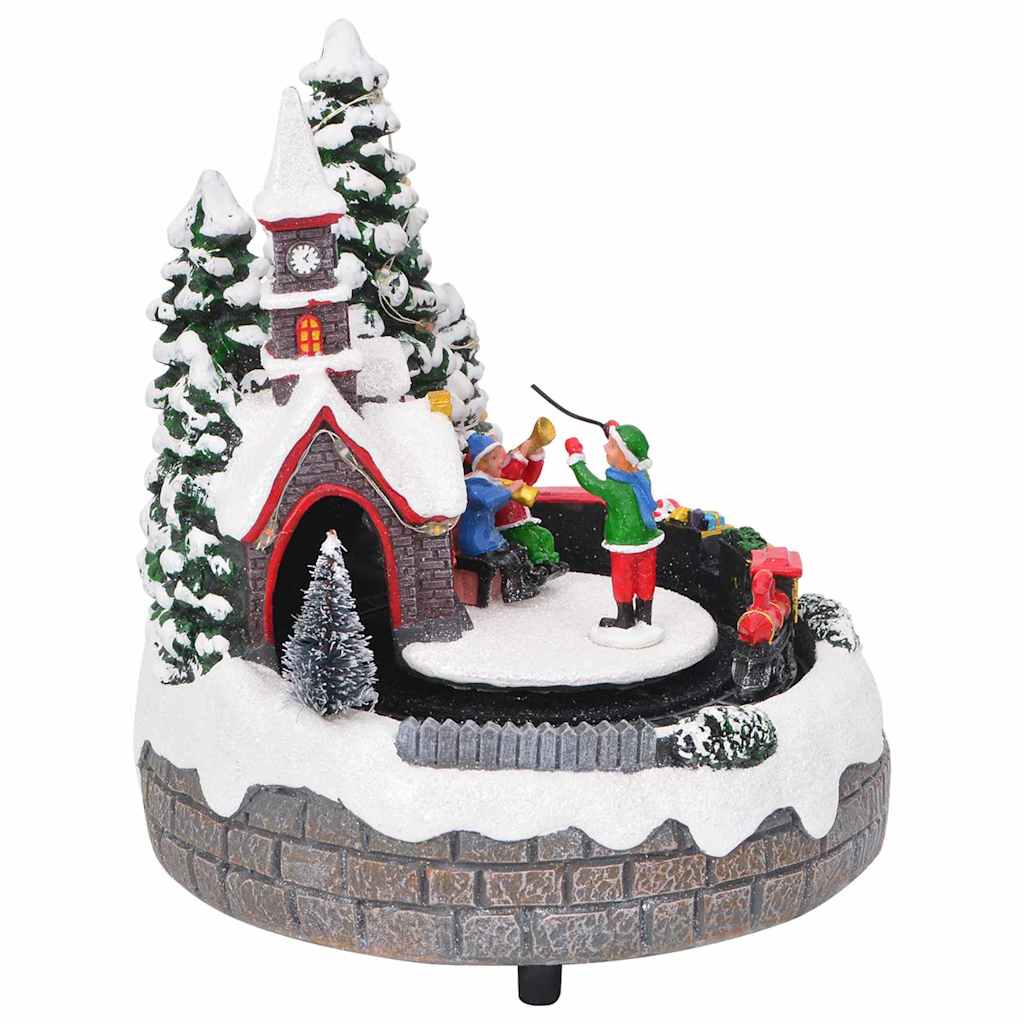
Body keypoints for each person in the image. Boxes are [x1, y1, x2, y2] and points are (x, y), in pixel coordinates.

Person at [565, 422, 663, 629]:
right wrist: (614, 431)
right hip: (647, 538)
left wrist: (576, 458)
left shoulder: (613, 487)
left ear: (624, 457)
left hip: (624, 542)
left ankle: (625, 618)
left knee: (623, 579)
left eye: (611, 446)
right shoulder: (642, 477)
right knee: (645, 577)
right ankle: (644, 616)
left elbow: (590, 483)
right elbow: (631, 448)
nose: (604, 448)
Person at [459, 433, 543, 601]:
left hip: (488, 538)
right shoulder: (472, 484)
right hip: (477, 542)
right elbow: (488, 500)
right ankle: (513, 591)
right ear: (482, 462)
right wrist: (510, 490)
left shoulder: (489, 482)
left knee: (518, 550)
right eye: (496, 458)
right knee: (508, 558)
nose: (501, 462)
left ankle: (527, 579)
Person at [493, 426, 566, 578]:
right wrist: (522, 451)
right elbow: (509, 474)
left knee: (545, 535)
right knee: (529, 540)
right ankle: (538, 564)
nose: (501, 457)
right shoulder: (492, 477)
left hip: (522, 520)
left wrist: (534, 454)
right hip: (507, 524)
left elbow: (529, 478)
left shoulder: (505, 468)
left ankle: (550, 561)